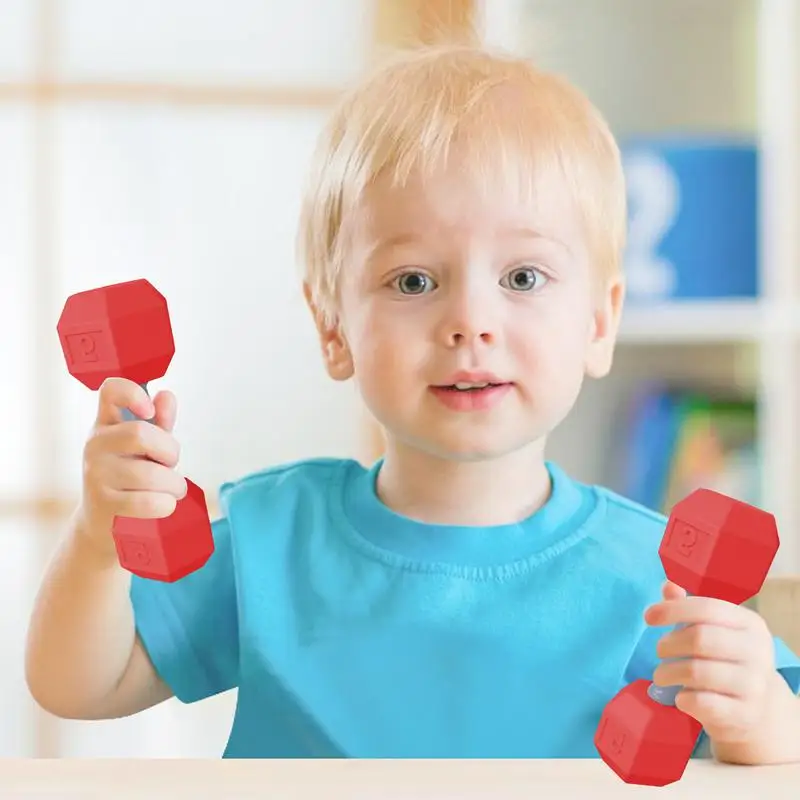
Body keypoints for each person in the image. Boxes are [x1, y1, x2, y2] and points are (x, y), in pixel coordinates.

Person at [25, 41, 800, 762]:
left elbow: (784, 744)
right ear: (333, 328)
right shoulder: (271, 541)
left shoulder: (652, 577)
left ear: (599, 323)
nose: (470, 322)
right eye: (414, 282)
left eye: (523, 278)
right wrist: (100, 539)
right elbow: (78, 685)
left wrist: (757, 712)